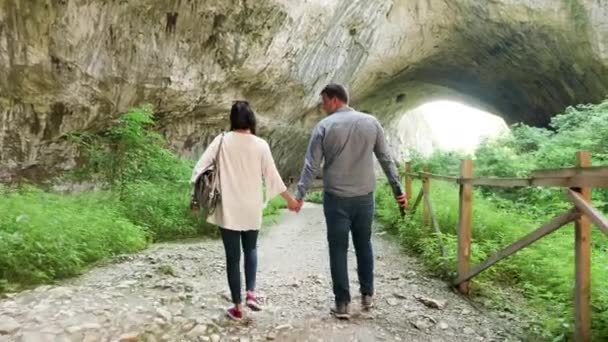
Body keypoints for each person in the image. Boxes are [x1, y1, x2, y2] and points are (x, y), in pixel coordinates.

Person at [293, 83, 407, 319]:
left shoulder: (324, 126)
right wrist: (398, 190)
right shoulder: (371, 123)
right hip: (365, 198)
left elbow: (310, 165)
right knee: (364, 245)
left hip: (336, 199)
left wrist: (300, 194)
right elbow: (386, 158)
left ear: (334, 99)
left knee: (338, 249)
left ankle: (342, 303)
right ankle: (367, 296)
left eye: (324, 101)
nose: (322, 107)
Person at [191, 100, 300, 321]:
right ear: (251, 119)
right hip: (251, 207)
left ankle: (237, 308)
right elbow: (273, 177)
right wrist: (291, 201)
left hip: (228, 207)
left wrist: (199, 194)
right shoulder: (261, 144)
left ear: (232, 119)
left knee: (233, 258)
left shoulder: (221, 141)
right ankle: (251, 293)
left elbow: (199, 168)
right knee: (250, 250)